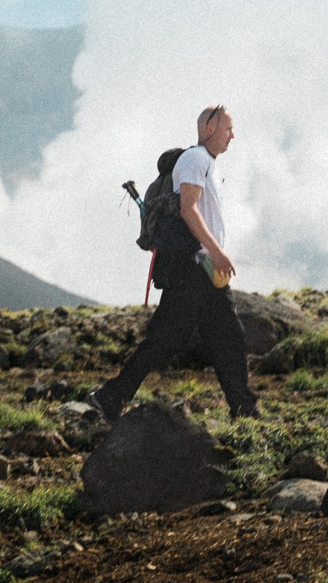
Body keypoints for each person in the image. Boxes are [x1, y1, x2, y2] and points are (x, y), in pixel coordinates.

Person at [89, 105, 260, 423]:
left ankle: (244, 410)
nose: (232, 136)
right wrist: (217, 252)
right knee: (169, 339)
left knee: (227, 338)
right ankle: (110, 396)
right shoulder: (195, 160)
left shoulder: (206, 163)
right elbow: (188, 210)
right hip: (193, 268)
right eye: (227, 129)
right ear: (209, 129)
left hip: (203, 270)